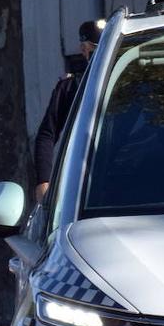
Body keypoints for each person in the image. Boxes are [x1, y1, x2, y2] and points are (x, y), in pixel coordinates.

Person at [33, 19, 105, 200]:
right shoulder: (72, 87)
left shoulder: (132, 81)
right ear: (84, 50)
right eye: (94, 49)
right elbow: (47, 135)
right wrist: (44, 182)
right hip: (82, 181)